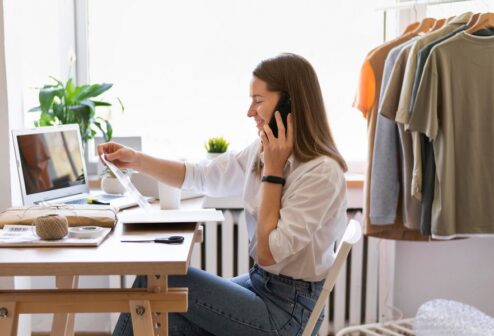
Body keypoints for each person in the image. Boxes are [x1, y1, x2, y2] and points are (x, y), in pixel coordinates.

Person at [99, 53, 348, 336]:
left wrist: (273, 173)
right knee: (167, 320)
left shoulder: (320, 173)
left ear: (289, 103)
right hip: (262, 286)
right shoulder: (262, 150)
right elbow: (200, 175)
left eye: (258, 101)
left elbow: (267, 254)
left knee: (152, 280)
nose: (249, 112)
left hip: (288, 314)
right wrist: (136, 160)